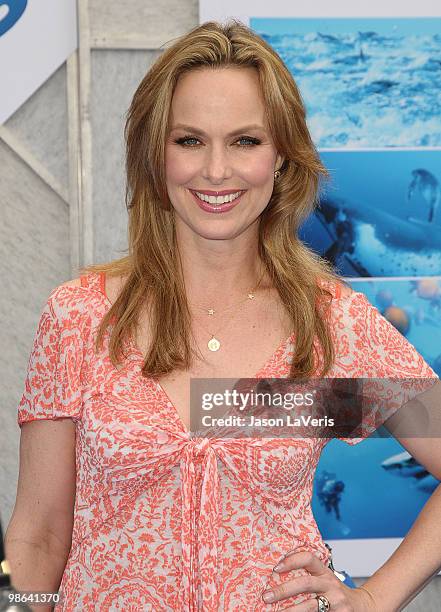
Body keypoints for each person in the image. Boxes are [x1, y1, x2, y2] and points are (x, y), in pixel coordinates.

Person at [5, 20, 441, 612]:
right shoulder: (81, 318)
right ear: (154, 156)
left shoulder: (330, 324)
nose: (216, 170)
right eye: (189, 140)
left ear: (282, 157)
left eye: (245, 141)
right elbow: (41, 532)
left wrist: (373, 599)